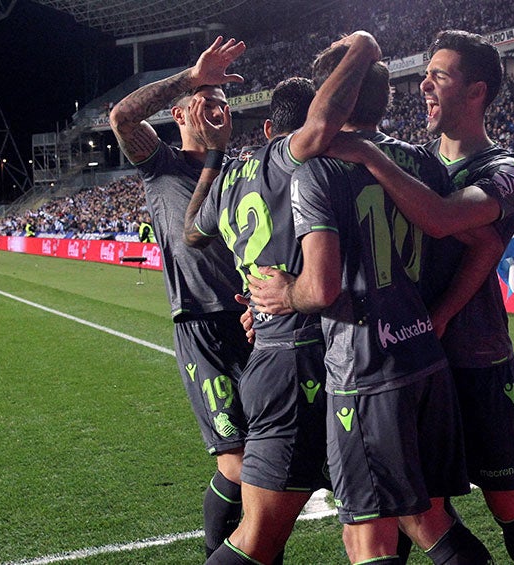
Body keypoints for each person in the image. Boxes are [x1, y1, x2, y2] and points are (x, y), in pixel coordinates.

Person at [252, 42, 491, 565]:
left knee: (369, 536)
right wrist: (441, 314)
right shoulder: (423, 161)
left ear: (331, 96)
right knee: (428, 514)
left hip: (365, 370)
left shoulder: (315, 171)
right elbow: (486, 243)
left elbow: (320, 290)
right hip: (426, 358)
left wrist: (282, 294)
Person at [315, 30, 514, 564]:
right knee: (411, 505)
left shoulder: (507, 170)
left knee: (506, 500)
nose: (423, 85)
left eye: (439, 76)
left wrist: (441, 315)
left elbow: (452, 226)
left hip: (476, 354)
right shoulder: (414, 162)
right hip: (415, 358)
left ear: (476, 92)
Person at [183, 32, 386, 565]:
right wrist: (363, 45)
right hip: (314, 359)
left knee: (281, 535)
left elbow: (193, 233)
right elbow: (317, 130)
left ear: (269, 126)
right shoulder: (297, 160)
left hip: (271, 363)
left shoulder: (230, 178)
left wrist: (213, 157)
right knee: (364, 529)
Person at [109, 36, 253, 557]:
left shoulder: (239, 173)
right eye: (205, 101)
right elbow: (122, 116)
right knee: (236, 464)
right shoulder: (161, 164)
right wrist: (194, 76)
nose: (215, 109)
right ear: (179, 111)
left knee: (269, 462)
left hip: (252, 324)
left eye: (221, 103)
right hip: (200, 327)